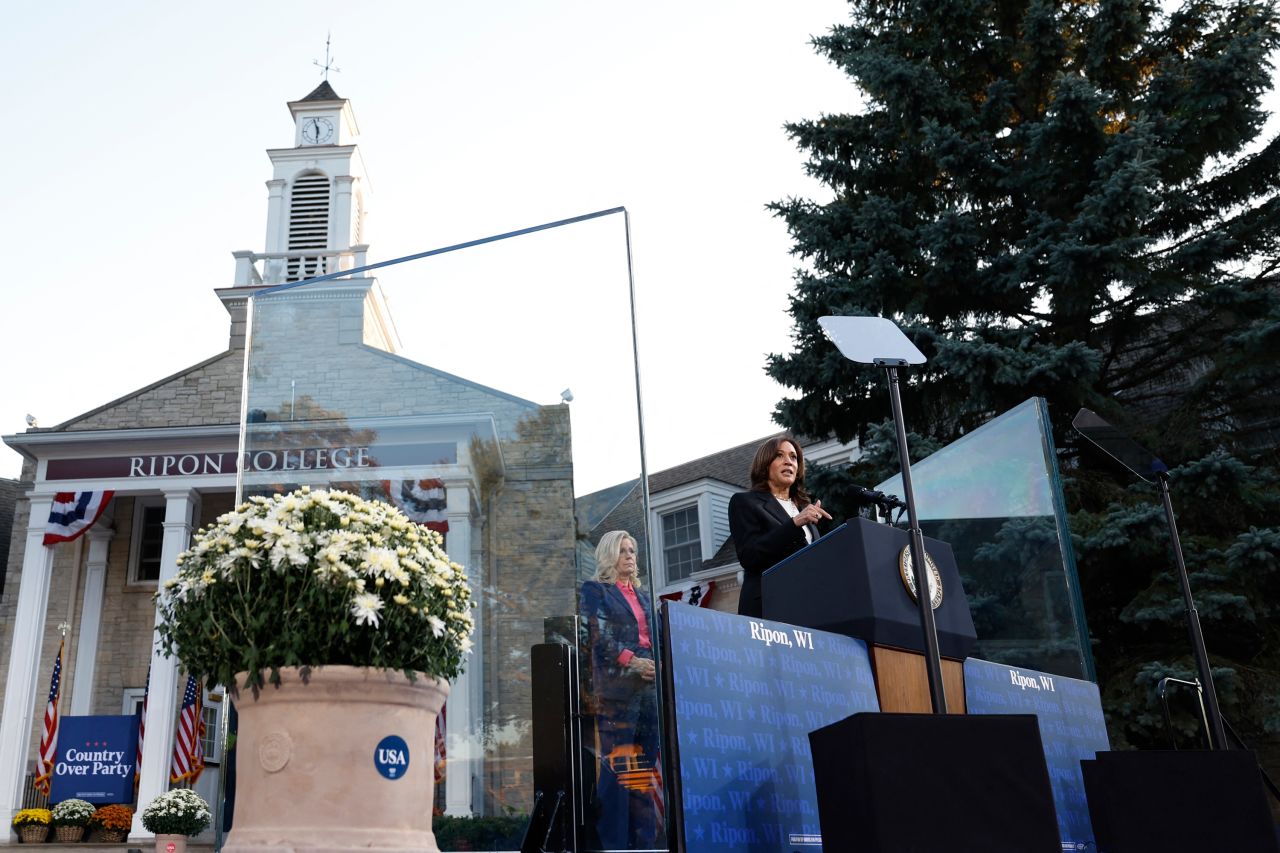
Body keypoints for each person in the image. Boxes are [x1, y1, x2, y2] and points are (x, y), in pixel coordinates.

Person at [580, 530, 662, 850]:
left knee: (642, 773)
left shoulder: (644, 596)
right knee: (617, 773)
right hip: (618, 689)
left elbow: (656, 634)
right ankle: (612, 845)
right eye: (623, 550)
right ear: (609, 555)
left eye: (633, 551)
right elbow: (596, 635)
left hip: (650, 688)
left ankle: (642, 845)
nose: (631, 556)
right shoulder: (595, 590)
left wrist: (655, 662)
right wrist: (632, 661)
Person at [729, 436, 832, 618]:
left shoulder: (803, 508)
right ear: (765, 464)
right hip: (769, 608)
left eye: (793, 457)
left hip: (808, 608)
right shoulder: (746, 502)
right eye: (779, 455)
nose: (788, 461)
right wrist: (794, 523)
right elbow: (750, 556)